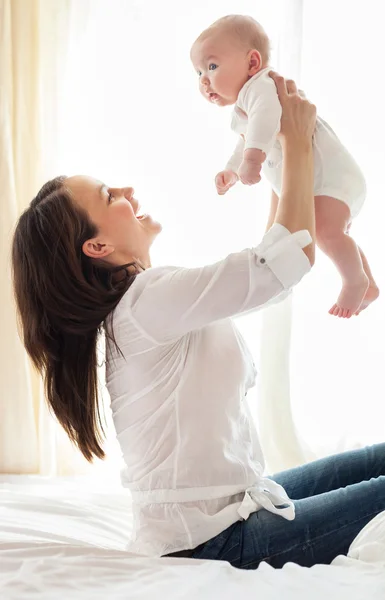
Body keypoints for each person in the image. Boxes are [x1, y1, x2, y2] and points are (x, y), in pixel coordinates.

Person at [11, 74, 385, 569]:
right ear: (97, 247)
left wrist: (279, 156)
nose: (126, 189)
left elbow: (271, 269)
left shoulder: (145, 307)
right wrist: (296, 144)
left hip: (237, 509)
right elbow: (282, 264)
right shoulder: (146, 301)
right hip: (214, 543)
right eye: (108, 195)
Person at [190, 15, 379, 318]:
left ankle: (354, 281)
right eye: (198, 72)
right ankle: (366, 281)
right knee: (331, 231)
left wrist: (252, 161)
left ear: (253, 62)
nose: (203, 79)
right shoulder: (245, 104)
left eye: (211, 67)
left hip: (329, 175)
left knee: (327, 232)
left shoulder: (261, 86)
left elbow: (264, 122)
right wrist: (232, 170)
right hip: (324, 179)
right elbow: (249, 137)